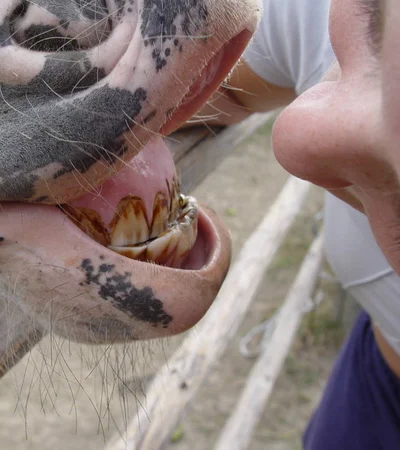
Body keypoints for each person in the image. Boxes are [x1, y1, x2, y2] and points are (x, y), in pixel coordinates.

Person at [187, 0, 400, 448]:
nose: (289, 140)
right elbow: (207, 88)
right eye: (370, 17)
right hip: (373, 375)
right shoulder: (316, 11)